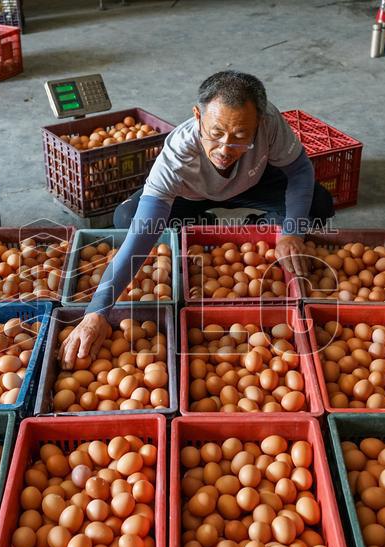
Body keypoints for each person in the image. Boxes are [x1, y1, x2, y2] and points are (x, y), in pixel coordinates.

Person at [58, 70, 333, 369]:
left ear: (259, 124)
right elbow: (141, 234)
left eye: (241, 136)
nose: (225, 149)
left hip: (254, 181)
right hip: (192, 197)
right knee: (127, 216)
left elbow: (300, 171)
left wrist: (291, 232)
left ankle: (259, 224)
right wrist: (97, 310)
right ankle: (207, 225)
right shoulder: (178, 153)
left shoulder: (270, 123)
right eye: (215, 133)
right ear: (197, 117)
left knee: (318, 204)